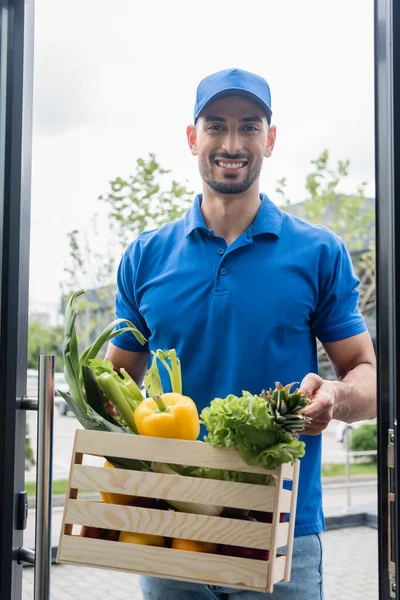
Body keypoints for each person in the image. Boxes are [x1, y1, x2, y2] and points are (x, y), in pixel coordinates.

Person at [106, 68, 377, 600]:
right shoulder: (145, 256)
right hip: (171, 528)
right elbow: (114, 383)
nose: (232, 143)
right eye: (216, 126)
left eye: (250, 127)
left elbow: (365, 376)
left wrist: (337, 398)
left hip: (283, 528)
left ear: (270, 140)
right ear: (193, 138)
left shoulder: (319, 252)